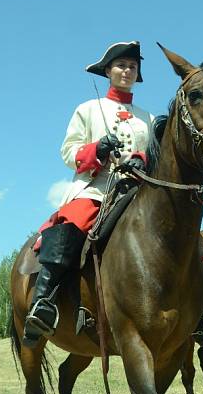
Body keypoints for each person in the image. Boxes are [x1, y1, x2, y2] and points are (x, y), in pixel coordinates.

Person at [23, 41, 154, 347]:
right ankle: (43, 302)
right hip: (95, 186)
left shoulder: (147, 118)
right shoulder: (88, 108)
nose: (127, 70)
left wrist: (143, 159)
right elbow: (68, 151)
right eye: (121, 65)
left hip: (137, 190)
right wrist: (97, 149)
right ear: (108, 71)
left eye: (132, 67)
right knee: (73, 221)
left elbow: (154, 156)